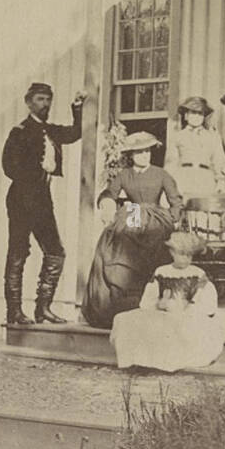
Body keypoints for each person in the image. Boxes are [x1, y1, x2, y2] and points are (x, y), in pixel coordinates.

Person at [1, 82, 85, 325]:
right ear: (29, 102)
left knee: (55, 252)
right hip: (20, 198)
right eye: (40, 99)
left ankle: (43, 309)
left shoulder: (50, 130)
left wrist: (77, 107)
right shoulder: (19, 131)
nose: (45, 104)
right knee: (18, 251)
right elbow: (9, 166)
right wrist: (32, 177)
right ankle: (14, 311)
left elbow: (75, 133)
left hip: (42, 199)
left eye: (48, 99)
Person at [83, 132, 184, 329]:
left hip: (155, 216)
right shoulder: (124, 175)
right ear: (131, 155)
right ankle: (120, 299)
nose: (144, 156)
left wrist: (173, 218)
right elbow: (109, 192)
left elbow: (176, 201)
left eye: (147, 151)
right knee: (117, 241)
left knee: (154, 242)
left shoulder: (161, 174)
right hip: (133, 212)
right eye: (139, 152)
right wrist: (107, 202)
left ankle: (149, 302)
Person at [110, 232, 225, 372]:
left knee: (183, 327)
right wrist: (159, 304)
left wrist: (188, 308)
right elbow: (149, 298)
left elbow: (207, 300)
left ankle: (168, 362)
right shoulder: (162, 271)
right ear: (172, 252)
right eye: (181, 254)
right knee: (126, 320)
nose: (185, 259)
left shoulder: (197, 273)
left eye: (189, 256)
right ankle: (141, 361)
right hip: (162, 311)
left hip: (188, 313)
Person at [170, 95, 225, 198]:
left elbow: (219, 161)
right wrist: (170, 185)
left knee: (203, 210)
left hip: (206, 178)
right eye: (193, 113)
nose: (197, 117)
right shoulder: (178, 136)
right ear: (186, 115)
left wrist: (220, 182)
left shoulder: (212, 137)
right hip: (183, 177)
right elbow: (171, 163)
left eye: (200, 114)